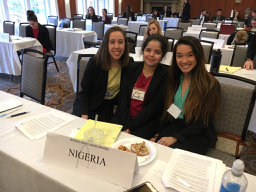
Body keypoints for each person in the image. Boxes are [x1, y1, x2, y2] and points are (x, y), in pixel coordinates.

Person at [151, 36, 221, 155]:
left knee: (173, 154)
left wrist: (175, 137)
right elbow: (170, 111)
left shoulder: (210, 84)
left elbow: (203, 122)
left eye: (189, 55)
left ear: (198, 56)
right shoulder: (175, 78)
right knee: (156, 147)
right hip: (177, 124)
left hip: (198, 131)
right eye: (179, 56)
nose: (184, 61)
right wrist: (158, 133)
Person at [111, 34, 169, 139]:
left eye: (157, 52)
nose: (151, 55)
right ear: (143, 50)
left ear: (163, 55)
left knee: (132, 146)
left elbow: (153, 107)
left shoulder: (166, 75)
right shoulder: (131, 68)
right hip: (124, 116)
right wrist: (124, 124)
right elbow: (123, 99)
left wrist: (130, 127)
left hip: (147, 122)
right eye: (148, 50)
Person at [72, 27, 132, 122]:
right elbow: (84, 93)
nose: (117, 46)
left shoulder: (129, 64)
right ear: (106, 44)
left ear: (125, 44)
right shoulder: (94, 63)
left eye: (120, 42)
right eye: (112, 42)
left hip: (109, 105)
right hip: (91, 103)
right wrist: (84, 115)